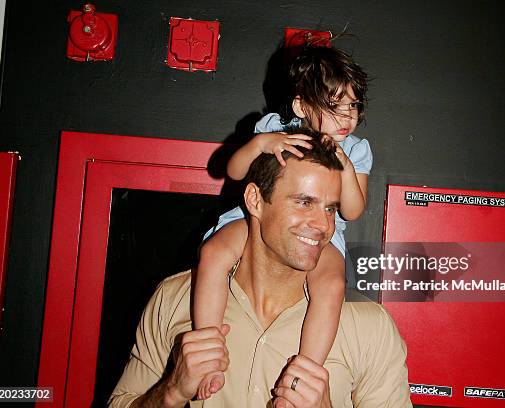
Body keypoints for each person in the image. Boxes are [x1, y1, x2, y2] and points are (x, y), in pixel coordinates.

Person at [108, 136, 411, 407]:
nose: (324, 226)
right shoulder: (174, 297)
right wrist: (170, 393)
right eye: (304, 202)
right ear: (255, 200)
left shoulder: (371, 327)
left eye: (330, 208)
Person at [194, 45, 372, 399]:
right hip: (253, 216)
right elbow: (230, 171)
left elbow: (352, 210)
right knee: (213, 252)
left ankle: (303, 378)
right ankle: (207, 356)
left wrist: (346, 168)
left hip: (324, 233)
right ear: (301, 106)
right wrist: (261, 143)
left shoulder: (355, 149)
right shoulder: (275, 128)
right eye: (335, 106)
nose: (346, 116)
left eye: (352, 105)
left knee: (332, 285)